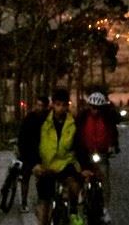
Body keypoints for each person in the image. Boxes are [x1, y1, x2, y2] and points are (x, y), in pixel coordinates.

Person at [33, 87, 82, 225]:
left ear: (68, 105)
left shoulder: (73, 123)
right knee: (45, 204)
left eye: (64, 105)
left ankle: (73, 212)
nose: (61, 108)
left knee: (74, 186)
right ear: (53, 104)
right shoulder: (42, 121)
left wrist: (84, 166)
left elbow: (79, 145)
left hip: (65, 163)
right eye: (58, 104)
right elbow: (31, 142)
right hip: (46, 165)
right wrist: (35, 164)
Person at [75, 91, 122, 224]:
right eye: (92, 107)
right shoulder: (82, 117)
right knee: (80, 174)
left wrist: (114, 146)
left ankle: (105, 209)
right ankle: (81, 194)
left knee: (105, 179)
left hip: (101, 153)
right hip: (85, 152)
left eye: (98, 108)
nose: (95, 110)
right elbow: (76, 133)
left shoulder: (108, 117)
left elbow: (114, 132)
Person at [17, 95, 49, 212]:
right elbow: (22, 135)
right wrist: (21, 150)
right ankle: (24, 202)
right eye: (38, 105)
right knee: (25, 177)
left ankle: (40, 200)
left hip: (41, 153)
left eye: (42, 106)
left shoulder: (47, 119)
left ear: (46, 107)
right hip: (28, 152)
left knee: (41, 177)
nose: (39, 108)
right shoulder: (29, 118)